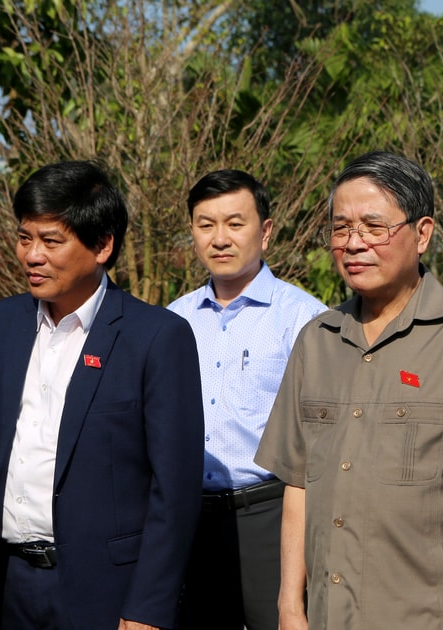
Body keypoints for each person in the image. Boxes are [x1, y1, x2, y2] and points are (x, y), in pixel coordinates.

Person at [255, 151, 443, 629]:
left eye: (374, 227)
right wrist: (290, 604)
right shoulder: (317, 340)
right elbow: (296, 483)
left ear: (421, 233)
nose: (354, 244)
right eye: (341, 228)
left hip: (428, 615)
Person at [0, 160, 204, 629]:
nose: (32, 255)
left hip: (107, 594)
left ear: (102, 245)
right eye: (25, 237)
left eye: (51, 241)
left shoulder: (155, 337)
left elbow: (175, 489)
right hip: (7, 585)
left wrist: (148, 606)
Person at [168, 169, 327, 629]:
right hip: (190, 519)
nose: (220, 238)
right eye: (205, 224)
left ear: (266, 230)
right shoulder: (172, 322)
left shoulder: (304, 319)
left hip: (272, 515)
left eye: (235, 223)